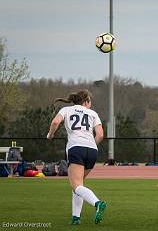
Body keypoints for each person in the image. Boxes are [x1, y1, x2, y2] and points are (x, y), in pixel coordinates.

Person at [47, 90, 107, 225]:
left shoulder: (66, 109)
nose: (91, 103)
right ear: (85, 101)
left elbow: (55, 122)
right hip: (92, 150)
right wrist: (91, 144)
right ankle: (76, 218)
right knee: (79, 185)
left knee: (76, 185)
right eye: (90, 101)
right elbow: (100, 135)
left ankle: (97, 203)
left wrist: (50, 135)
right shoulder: (93, 113)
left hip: (76, 148)